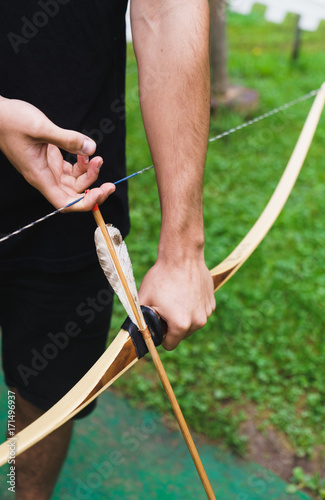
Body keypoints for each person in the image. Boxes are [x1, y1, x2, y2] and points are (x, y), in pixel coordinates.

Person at [0, 1, 215, 498]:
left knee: (43, 394)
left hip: (73, 192)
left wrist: (183, 249)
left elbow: (167, 10)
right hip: (68, 176)